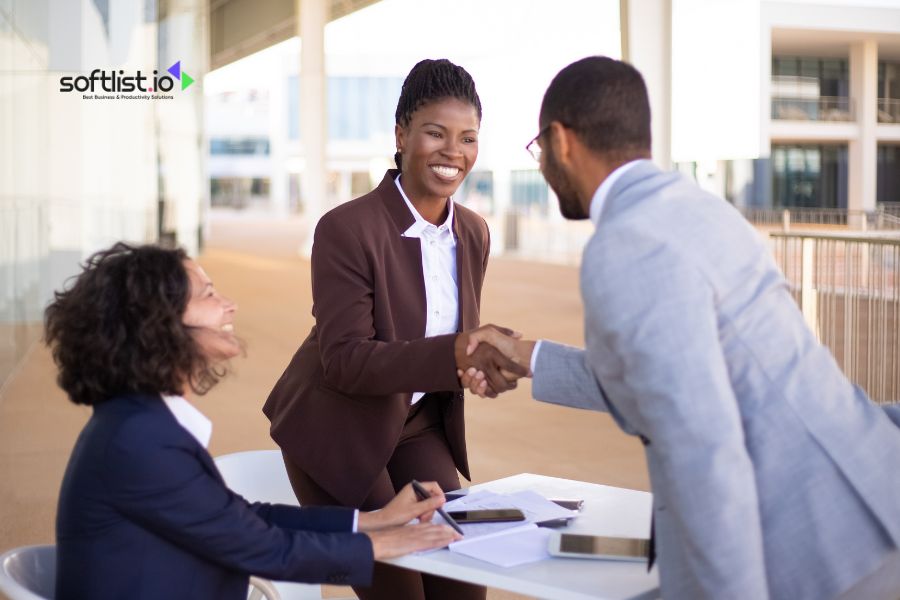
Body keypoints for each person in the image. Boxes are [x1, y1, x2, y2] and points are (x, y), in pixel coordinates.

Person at [461, 56, 900, 600]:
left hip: (818, 547)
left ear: (561, 141)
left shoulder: (626, 244)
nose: (544, 166)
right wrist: (527, 356)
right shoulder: (697, 209)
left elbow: (703, 446)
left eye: (539, 150)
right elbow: (668, 379)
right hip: (865, 496)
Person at [47, 242, 461, 600]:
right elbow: (261, 546)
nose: (230, 304)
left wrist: (373, 519)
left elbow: (241, 518)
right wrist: (381, 544)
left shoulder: (140, 423)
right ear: (159, 324)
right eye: (209, 294)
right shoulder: (142, 442)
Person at [263, 58, 524, 600]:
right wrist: (455, 352)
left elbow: (445, 349)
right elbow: (346, 360)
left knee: (462, 581)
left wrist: (476, 368)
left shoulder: (472, 233)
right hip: (335, 424)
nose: (454, 151)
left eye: (468, 137)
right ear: (401, 135)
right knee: (399, 590)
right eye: (436, 133)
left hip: (416, 424)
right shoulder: (346, 228)